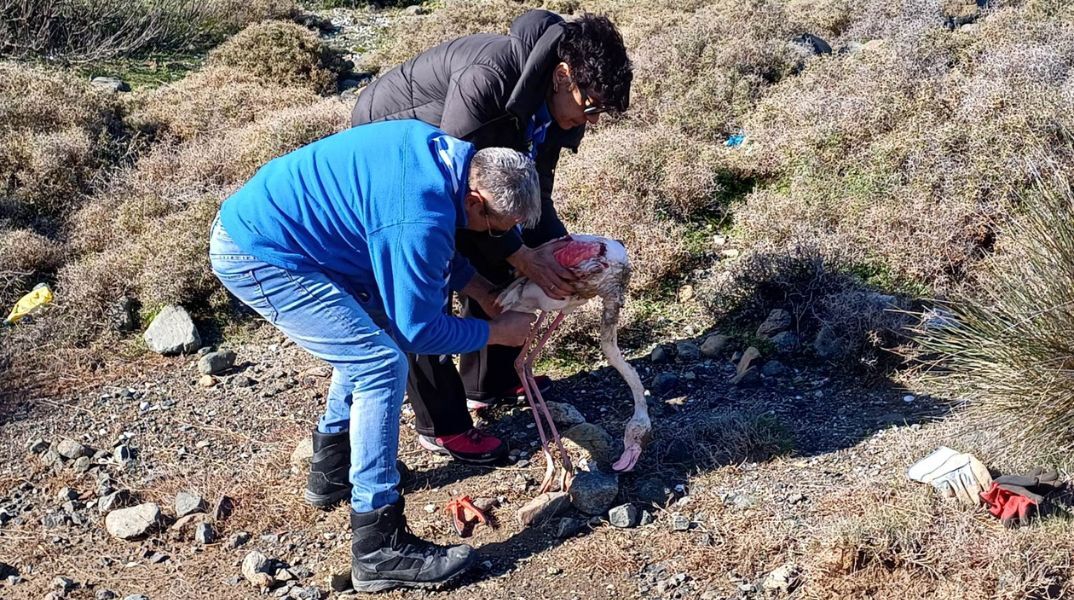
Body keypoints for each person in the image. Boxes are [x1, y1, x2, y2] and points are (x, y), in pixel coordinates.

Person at [209, 119, 540, 592]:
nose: (492, 235)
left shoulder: (445, 155)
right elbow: (420, 329)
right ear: (475, 201)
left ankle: (333, 467)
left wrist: (484, 291)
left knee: (374, 336)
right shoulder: (419, 213)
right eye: (494, 227)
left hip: (286, 232)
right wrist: (495, 333)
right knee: (381, 364)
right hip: (260, 252)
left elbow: (435, 248)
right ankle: (378, 546)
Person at [351, 9, 633, 466]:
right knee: (428, 277)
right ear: (564, 77)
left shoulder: (558, 104)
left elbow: (531, 187)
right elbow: (463, 196)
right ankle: (442, 425)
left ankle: (489, 382)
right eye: (593, 107)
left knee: (505, 251)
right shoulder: (489, 81)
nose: (593, 120)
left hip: (467, 170)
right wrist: (520, 254)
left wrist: (549, 248)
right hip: (400, 149)